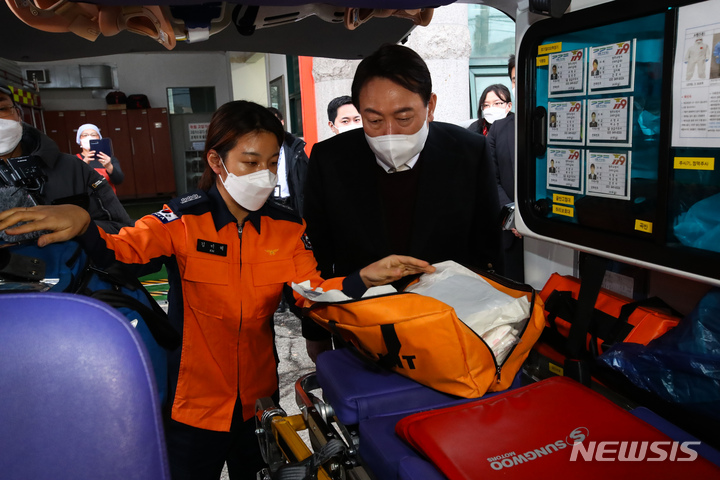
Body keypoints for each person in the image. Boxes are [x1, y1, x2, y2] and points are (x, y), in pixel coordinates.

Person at [0, 100, 435, 480]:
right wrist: (86, 226)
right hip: (193, 402)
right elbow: (125, 250)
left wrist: (365, 277)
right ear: (216, 161)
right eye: (249, 162)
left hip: (259, 399)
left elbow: (310, 292)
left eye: (270, 163)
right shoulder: (183, 219)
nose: (263, 175)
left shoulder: (286, 227)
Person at [303, 44, 502, 357]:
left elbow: (487, 246)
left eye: (404, 117)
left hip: (449, 327)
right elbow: (317, 255)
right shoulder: (330, 160)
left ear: (430, 106)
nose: (389, 133)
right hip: (361, 330)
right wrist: (315, 333)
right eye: (374, 121)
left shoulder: (468, 151)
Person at [0, 84, 131, 234]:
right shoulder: (79, 160)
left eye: (1, 109)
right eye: (84, 135)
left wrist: (83, 227)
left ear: (18, 114)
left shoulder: (74, 168)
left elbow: (121, 229)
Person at [485, 54, 524, 282]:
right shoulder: (499, 129)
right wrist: (514, 217)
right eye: (515, 79)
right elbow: (492, 178)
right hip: (511, 235)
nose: (519, 83)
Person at [267, 107, 309, 216]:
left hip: (291, 203)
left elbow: (306, 178)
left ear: (282, 122)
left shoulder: (295, 147)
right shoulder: (257, 150)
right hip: (268, 205)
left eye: (275, 122)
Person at [76, 123, 124, 194]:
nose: (89, 137)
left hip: (108, 201)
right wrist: (84, 165)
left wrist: (109, 166)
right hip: (86, 201)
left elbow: (118, 180)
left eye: (93, 135)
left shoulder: (109, 159)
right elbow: (73, 183)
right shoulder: (74, 159)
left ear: (99, 138)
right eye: (85, 135)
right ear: (79, 139)